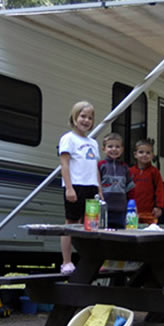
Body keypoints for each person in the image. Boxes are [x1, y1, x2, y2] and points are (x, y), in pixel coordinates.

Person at [58, 101, 103, 274]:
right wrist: (69, 188)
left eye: (90, 118)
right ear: (75, 117)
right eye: (83, 116)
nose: (86, 120)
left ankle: (88, 260)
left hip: (91, 186)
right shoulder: (68, 138)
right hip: (76, 185)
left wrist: (99, 189)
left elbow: (94, 167)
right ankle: (67, 261)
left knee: (91, 224)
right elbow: (64, 164)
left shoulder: (92, 142)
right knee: (71, 223)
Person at [98, 133, 135, 229]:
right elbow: (96, 187)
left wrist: (132, 206)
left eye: (117, 147)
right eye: (110, 146)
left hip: (121, 210)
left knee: (120, 235)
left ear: (122, 149)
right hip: (104, 209)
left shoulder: (125, 168)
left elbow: (130, 190)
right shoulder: (100, 166)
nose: (114, 149)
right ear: (104, 149)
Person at [129, 139, 164, 224]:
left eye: (148, 153)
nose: (144, 155)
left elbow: (160, 190)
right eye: (141, 152)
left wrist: (159, 207)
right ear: (135, 154)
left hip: (150, 213)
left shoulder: (154, 172)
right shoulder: (130, 171)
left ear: (152, 155)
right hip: (132, 211)